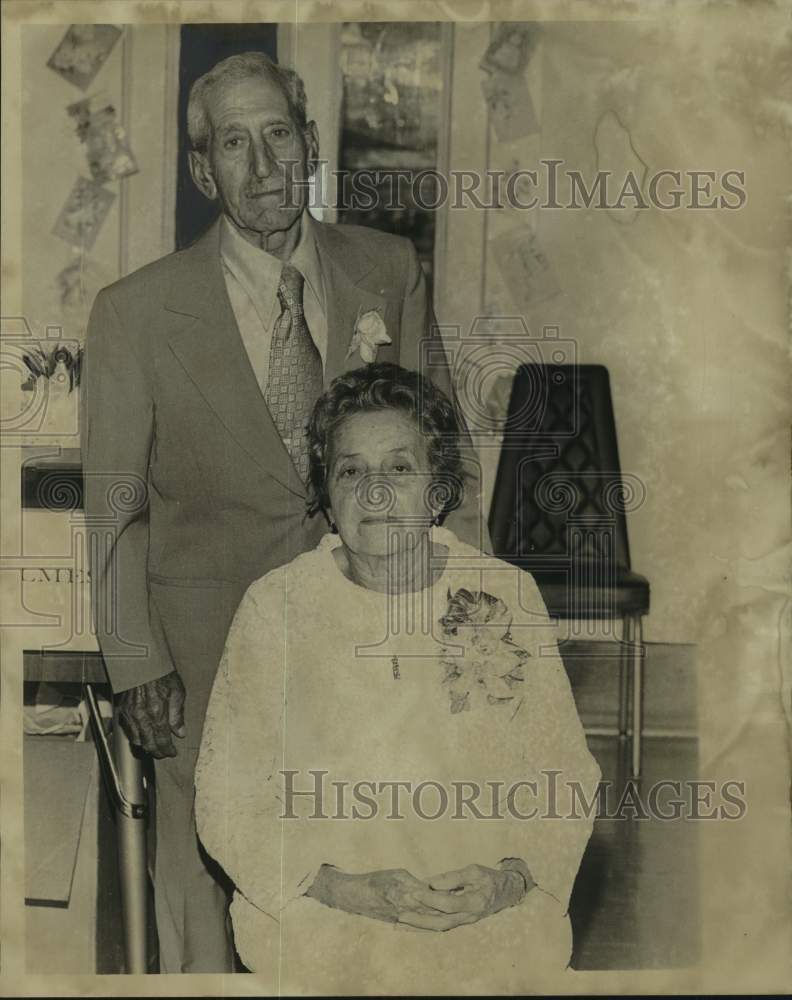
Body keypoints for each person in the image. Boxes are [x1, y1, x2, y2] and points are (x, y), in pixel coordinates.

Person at [81, 53, 486, 973]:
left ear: (308, 142)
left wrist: (464, 618)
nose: (263, 165)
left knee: (368, 889)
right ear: (201, 171)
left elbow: (444, 457)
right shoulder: (135, 314)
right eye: (234, 143)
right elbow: (114, 510)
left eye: (278, 135)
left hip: (370, 637)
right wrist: (137, 660)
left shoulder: (386, 268)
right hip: (203, 655)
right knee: (207, 893)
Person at [195, 364, 601, 993]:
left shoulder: (503, 594)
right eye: (351, 471)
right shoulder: (276, 607)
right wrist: (338, 887)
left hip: (485, 913)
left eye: (400, 468)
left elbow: (564, 773)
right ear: (327, 499)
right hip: (321, 916)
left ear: (438, 492)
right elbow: (226, 799)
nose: (375, 493)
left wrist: (510, 881)